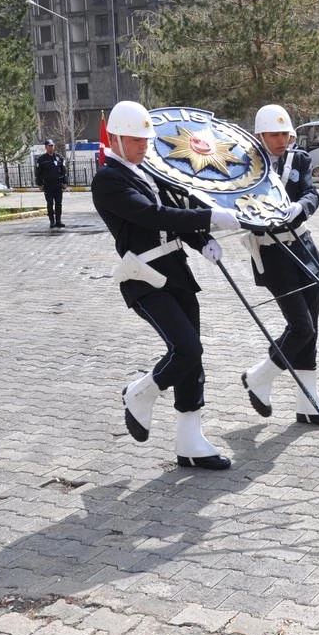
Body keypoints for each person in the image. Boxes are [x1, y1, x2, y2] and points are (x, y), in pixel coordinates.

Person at [91, 100, 241, 471]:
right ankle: (139, 394)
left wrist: (201, 239)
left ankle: (190, 442)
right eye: (135, 139)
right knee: (186, 349)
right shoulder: (108, 179)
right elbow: (151, 215)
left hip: (176, 271)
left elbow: (174, 215)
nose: (144, 145)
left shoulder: (147, 173)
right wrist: (211, 216)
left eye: (146, 139)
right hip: (144, 277)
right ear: (115, 138)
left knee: (194, 361)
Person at [240, 104, 319, 427]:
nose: (281, 140)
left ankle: (307, 402)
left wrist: (300, 206)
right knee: (301, 327)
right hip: (272, 254)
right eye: (274, 134)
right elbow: (242, 210)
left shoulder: (300, 159)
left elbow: (311, 193)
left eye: (285, 133)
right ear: (260, 136)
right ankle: (259, 376)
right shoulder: (245, 167)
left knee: (311, 329)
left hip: (305, 248)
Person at [35, 139, 69, 228]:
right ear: (46, 147)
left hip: (58, 184)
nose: (51, 147)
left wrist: (65, 182)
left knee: (58, 203)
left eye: (52, 145)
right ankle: (52, 221)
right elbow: (38, 173)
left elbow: (64, 171)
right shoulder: (41, 159)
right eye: (49, 146)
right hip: (48, 184)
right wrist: (39, 184)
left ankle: (58, 220)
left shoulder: (59, 157)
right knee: (50, 203)